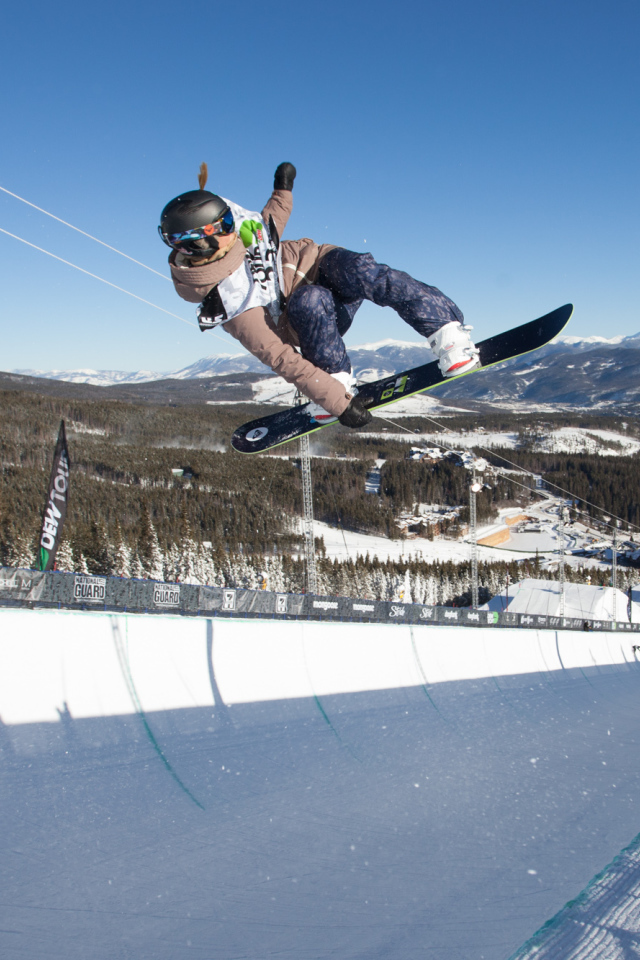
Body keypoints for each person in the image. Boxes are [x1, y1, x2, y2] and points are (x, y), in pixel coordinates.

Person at [159, 163, 479, 428]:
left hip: (320, 262)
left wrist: (282, 189)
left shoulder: (241, 234)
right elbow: (282, 358)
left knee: (361, 269)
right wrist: (336, 401)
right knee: (309, 299)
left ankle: (446, 330)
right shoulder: (232, 303)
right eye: (224, 226)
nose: (234, 228)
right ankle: (334, 374)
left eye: (229, 219)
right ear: (199, 243)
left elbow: (269, 222)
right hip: (312, 316)